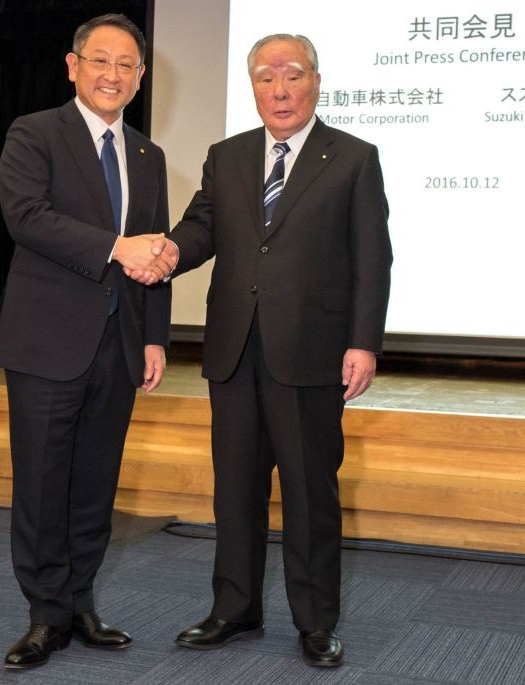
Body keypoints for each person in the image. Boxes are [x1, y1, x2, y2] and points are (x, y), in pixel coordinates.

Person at [162, 33, 393, 668]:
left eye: (292, 75)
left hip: (312, 351)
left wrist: (363, 342)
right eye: (266, 77)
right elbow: (202, 227)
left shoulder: (353, 158)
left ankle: (316, 621)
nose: (280, 89)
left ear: (315, 81)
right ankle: (234, 609)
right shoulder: (228, 155)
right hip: (234, 350)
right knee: (234, 489)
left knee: (309, 492)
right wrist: (168, 252)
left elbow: (373, 259)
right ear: (253, 87)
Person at [0, 13, 177, 670]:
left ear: (141, 76)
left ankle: (80, 603)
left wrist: (155, 336)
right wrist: (116, 247)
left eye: (126, 65)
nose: (112, 75)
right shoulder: (35, 132)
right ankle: (45, 614)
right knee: (43, 485)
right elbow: (27, 218)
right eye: (100, 60)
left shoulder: (149, 156)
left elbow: (155, 252)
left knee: (96, 485)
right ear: (73, 66)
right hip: (46, 343)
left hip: (119, 345)